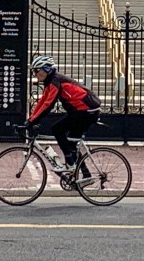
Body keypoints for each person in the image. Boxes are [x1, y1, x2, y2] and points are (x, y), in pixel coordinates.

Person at [23, 54, 102, 187]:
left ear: (45, 69)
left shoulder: (55, 81)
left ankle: (70, 164)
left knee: (57, 129)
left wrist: (32, 122)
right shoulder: (51, 81)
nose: (34, 74)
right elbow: (42, 102)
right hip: (81, 112)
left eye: (36, 70)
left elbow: (48, 105)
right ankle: (86, 175)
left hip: (87, 112)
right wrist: (30, 120)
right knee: (71, 144)